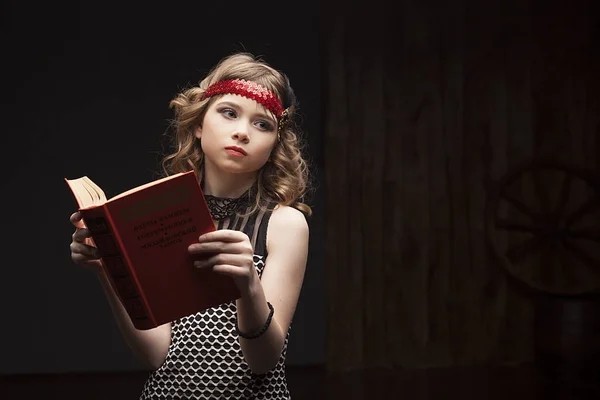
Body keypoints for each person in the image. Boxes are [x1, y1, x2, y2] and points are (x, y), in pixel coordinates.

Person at [69, 52, 312, 399]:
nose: (242, 132)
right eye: (229, 113)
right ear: (199, 124)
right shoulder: (168, 215)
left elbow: (263, 361)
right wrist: (108, 269)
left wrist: (248, 285)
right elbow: (155, 354)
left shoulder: (284, 224)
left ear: (275, 144)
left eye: (263, 124)